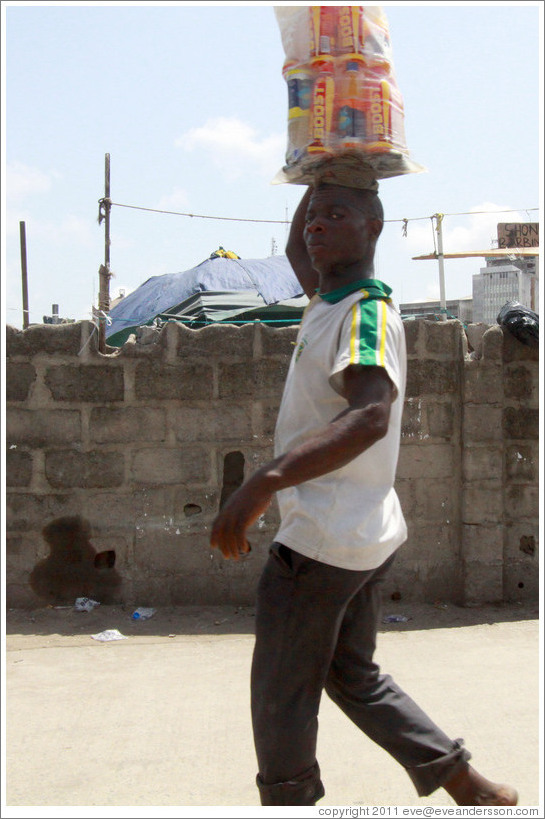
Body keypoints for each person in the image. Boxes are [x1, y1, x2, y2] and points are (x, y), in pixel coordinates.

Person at [210, 180, 518, 808]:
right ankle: (464, 781)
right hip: (364, 531)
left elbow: (370, 415)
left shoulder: (365, 313)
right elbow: (301, 254)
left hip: (321, 542)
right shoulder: (328, 298)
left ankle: (289, 800)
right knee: (353, 674)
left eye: (336, 215)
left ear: (373, 229)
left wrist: (264, 481)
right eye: (313, 217)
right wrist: (322, 172)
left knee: (281, 691)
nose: (315, 227)